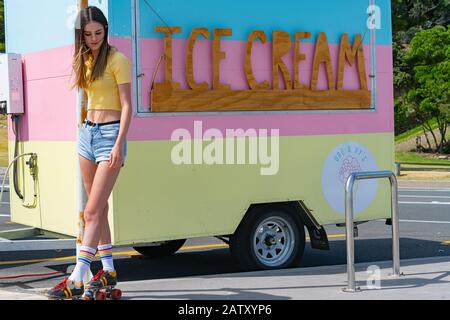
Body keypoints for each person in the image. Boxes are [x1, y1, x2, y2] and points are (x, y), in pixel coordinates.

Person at [47, 6, 132, 299]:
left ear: (105, 31)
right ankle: (107, 269)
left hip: (110, 136)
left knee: (92, 210)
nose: (95, 38)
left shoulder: (117, 59)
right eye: (88, 34)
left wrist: (120, 143)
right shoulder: (85, 59)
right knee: (100, 208)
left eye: (99, 32)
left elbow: (127, 106)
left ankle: (76, 278)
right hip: (87, 134)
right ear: (81, 36)